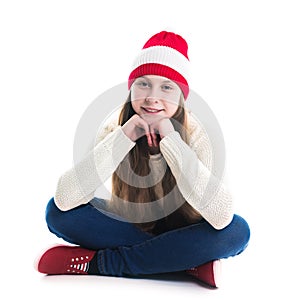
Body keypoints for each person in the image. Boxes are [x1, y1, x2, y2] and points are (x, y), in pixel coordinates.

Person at [34, 31, 250, 288]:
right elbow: (65, 198)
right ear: (131, 88)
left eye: (166, 87)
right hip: (133, 227)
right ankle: (184, 261)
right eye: (143, 83)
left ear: (181, 97)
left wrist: (172, 142)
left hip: (187, 230)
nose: (152, 97)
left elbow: (221, 215)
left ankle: (102, 264)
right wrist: (125, 135)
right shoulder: (115, 129)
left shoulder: (202, 134)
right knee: (57, 212)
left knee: (237, 231)